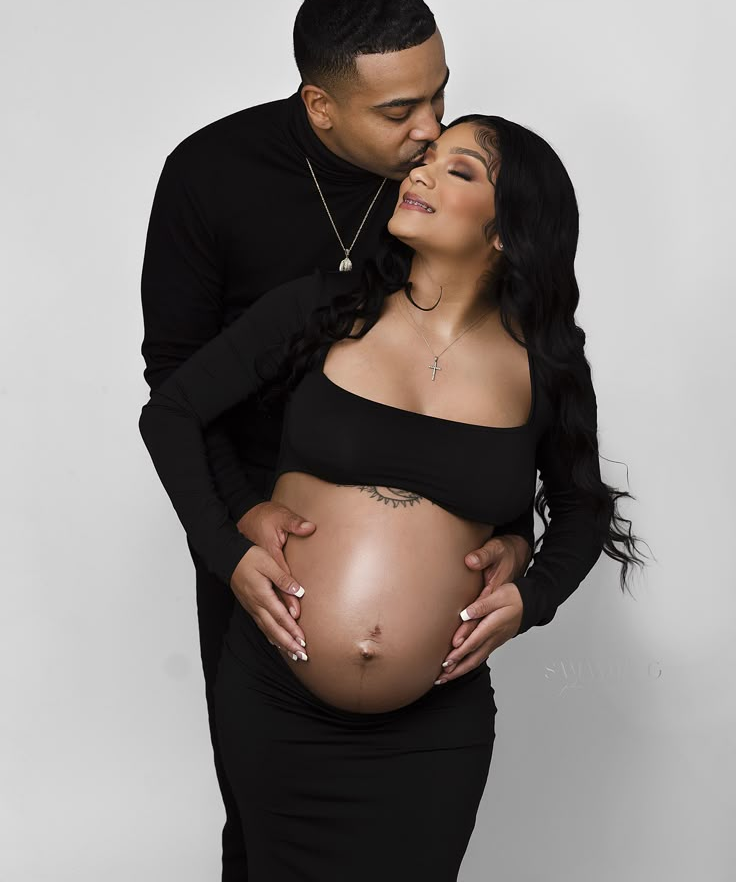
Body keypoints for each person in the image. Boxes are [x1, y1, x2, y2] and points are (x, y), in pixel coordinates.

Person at [140, 114, 643, 881]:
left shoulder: (547, 363)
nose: (421, 173)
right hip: (278, 705)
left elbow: (580, 505)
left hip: (434, 730)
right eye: (425, 161)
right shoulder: (324, 308)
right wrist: (229, 547)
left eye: (460, 170)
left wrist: (531, 595)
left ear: (508, 229)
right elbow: (171, 412)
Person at [140, 0, 535, 878]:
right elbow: (176, 385)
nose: (430, 130)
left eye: (440, 93)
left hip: (425, 603)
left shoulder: (444, 192)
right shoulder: (210, 176)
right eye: (401, 111)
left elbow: (493, 382)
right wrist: (235, 528)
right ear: (321, 106)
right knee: (261, 836)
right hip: (259, 562)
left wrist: (513, 534)